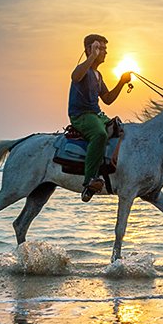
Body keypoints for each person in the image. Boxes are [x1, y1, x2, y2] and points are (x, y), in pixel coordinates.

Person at [69, 33, 132, 202]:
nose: (105, 52)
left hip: (97, 114)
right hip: (81, 115)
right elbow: (75, 77)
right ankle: (89, 181)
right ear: (90, 49)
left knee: (123, 130)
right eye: (101, 48)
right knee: (100, 135)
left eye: (105, 49)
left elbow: (108, 99)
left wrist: (121, 81)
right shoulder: (82, 70)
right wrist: (92, 56)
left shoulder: (98, 75)